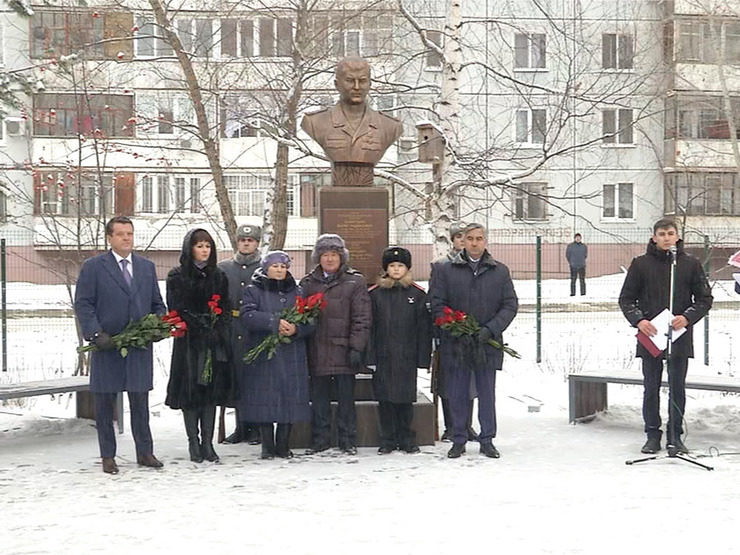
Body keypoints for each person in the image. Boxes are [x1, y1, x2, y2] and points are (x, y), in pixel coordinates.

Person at [74, 216, 166, 474]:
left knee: (140, 401)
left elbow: (157, 303)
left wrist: (158, 325)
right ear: (109, 238)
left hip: (138, 346)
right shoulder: (94, 267)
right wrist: (94, 333)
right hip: (108, 345)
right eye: (121, 234)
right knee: (104, 404)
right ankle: (108, 455)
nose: (127, 238)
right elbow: (83, 303)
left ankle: (145, 452)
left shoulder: (146, 267)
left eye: (130, 233)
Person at [618, 218, 712, 455]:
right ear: (654, 237)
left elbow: (704, 299)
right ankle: (652, 434)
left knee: (677, 387)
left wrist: (688, 317)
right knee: (651, 387)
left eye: (671, 233)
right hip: (651, 335)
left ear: (677, 237)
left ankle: (675, 435)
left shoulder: (690, 264)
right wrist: (639, 320)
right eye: (662, 234)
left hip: (678, 335)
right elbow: (626, 299)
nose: (666, 238)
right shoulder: (640, 264)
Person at [430, 223, 518, 459]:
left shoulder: (499, 271)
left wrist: (490, 330)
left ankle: (487, 439)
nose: (475, 243)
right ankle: (458, 438)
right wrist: (455, 327)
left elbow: (510, 305)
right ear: (462, 242)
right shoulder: (446, 270)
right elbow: (437, 304)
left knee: (487, 393)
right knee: (458, 393)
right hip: (457, 343)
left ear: (485, 241)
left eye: (479, 238)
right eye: (470, 238)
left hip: (486, 343)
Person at [166, 228, 235, 464]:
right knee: (191, 393)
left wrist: (217, 328)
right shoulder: (177, 276)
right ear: (190, 248)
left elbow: (225, 307)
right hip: (189, 343)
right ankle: (193, 442)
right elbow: (177, 308)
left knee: (210, 393)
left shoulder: (219, 276)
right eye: (199, 245)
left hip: (213, 342)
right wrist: (200, 327)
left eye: (207, 246)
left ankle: (208, 442)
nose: (204, 250)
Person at [300, 234, 371, 455]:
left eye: (334, 254)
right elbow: (300, 315)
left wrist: (356, 347)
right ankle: (320, 439)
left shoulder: (355, 281)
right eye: (325, 255)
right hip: (318, 350)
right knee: (319, 399)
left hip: (344, 350)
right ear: (318, 258)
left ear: (342, 257)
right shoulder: (308, 283)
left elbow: (362, 318)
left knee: (345, 399)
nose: (330, 259)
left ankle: (347, 439)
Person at [241, 251, 314, 459]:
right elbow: (247, 315)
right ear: (266, 268)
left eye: (283, 266)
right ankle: (267, 445)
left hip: (291, 352)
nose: (280, 270)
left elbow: (310, 319)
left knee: (289, 396)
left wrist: (297, 329)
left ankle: (283, 444)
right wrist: (272, 322)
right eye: (275, 266)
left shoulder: (298, 291)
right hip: (265, 352)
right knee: (265, 396)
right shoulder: (254, 290)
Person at [367, 247, 432, 454]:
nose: (396, 269)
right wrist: (370, 357)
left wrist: (423, 358)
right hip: (383, 355)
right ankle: (387, 439)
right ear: (386, 269)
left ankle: (406, 438)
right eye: (392, 266)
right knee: (385, 400)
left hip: (407, 356)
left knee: (405, 400)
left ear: (407, 268)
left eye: (400, 266)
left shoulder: (417, 294)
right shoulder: (375, 294)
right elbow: (370, 327)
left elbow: (424, 328)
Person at [300, 57, 403, 187]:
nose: (356, 87)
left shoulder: (390, 126)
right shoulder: (315, 122)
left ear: (370, 84)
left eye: (362, 81)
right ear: (337, 84)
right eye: (349, 80)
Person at [430, 221, 479, 443]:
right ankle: (451, 425)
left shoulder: (479, 264)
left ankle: (467, 425)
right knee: (448, 383)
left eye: (465, 236)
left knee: (470, 382)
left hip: (472, 331)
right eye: (458, 236)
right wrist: (447, 322)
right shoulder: (441, 266)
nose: (462, 240)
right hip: (449, 331)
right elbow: (435, 299)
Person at [218, 224, 263, 445]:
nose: (246, 244)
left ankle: (256, 428)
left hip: (255, 328)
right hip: (232, 326)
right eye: (243, 241)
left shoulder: (265, 267)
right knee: (235, 377)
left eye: (251, 240)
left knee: (255, 379)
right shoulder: (224, 268)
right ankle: (241, 427)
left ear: (257, 243)